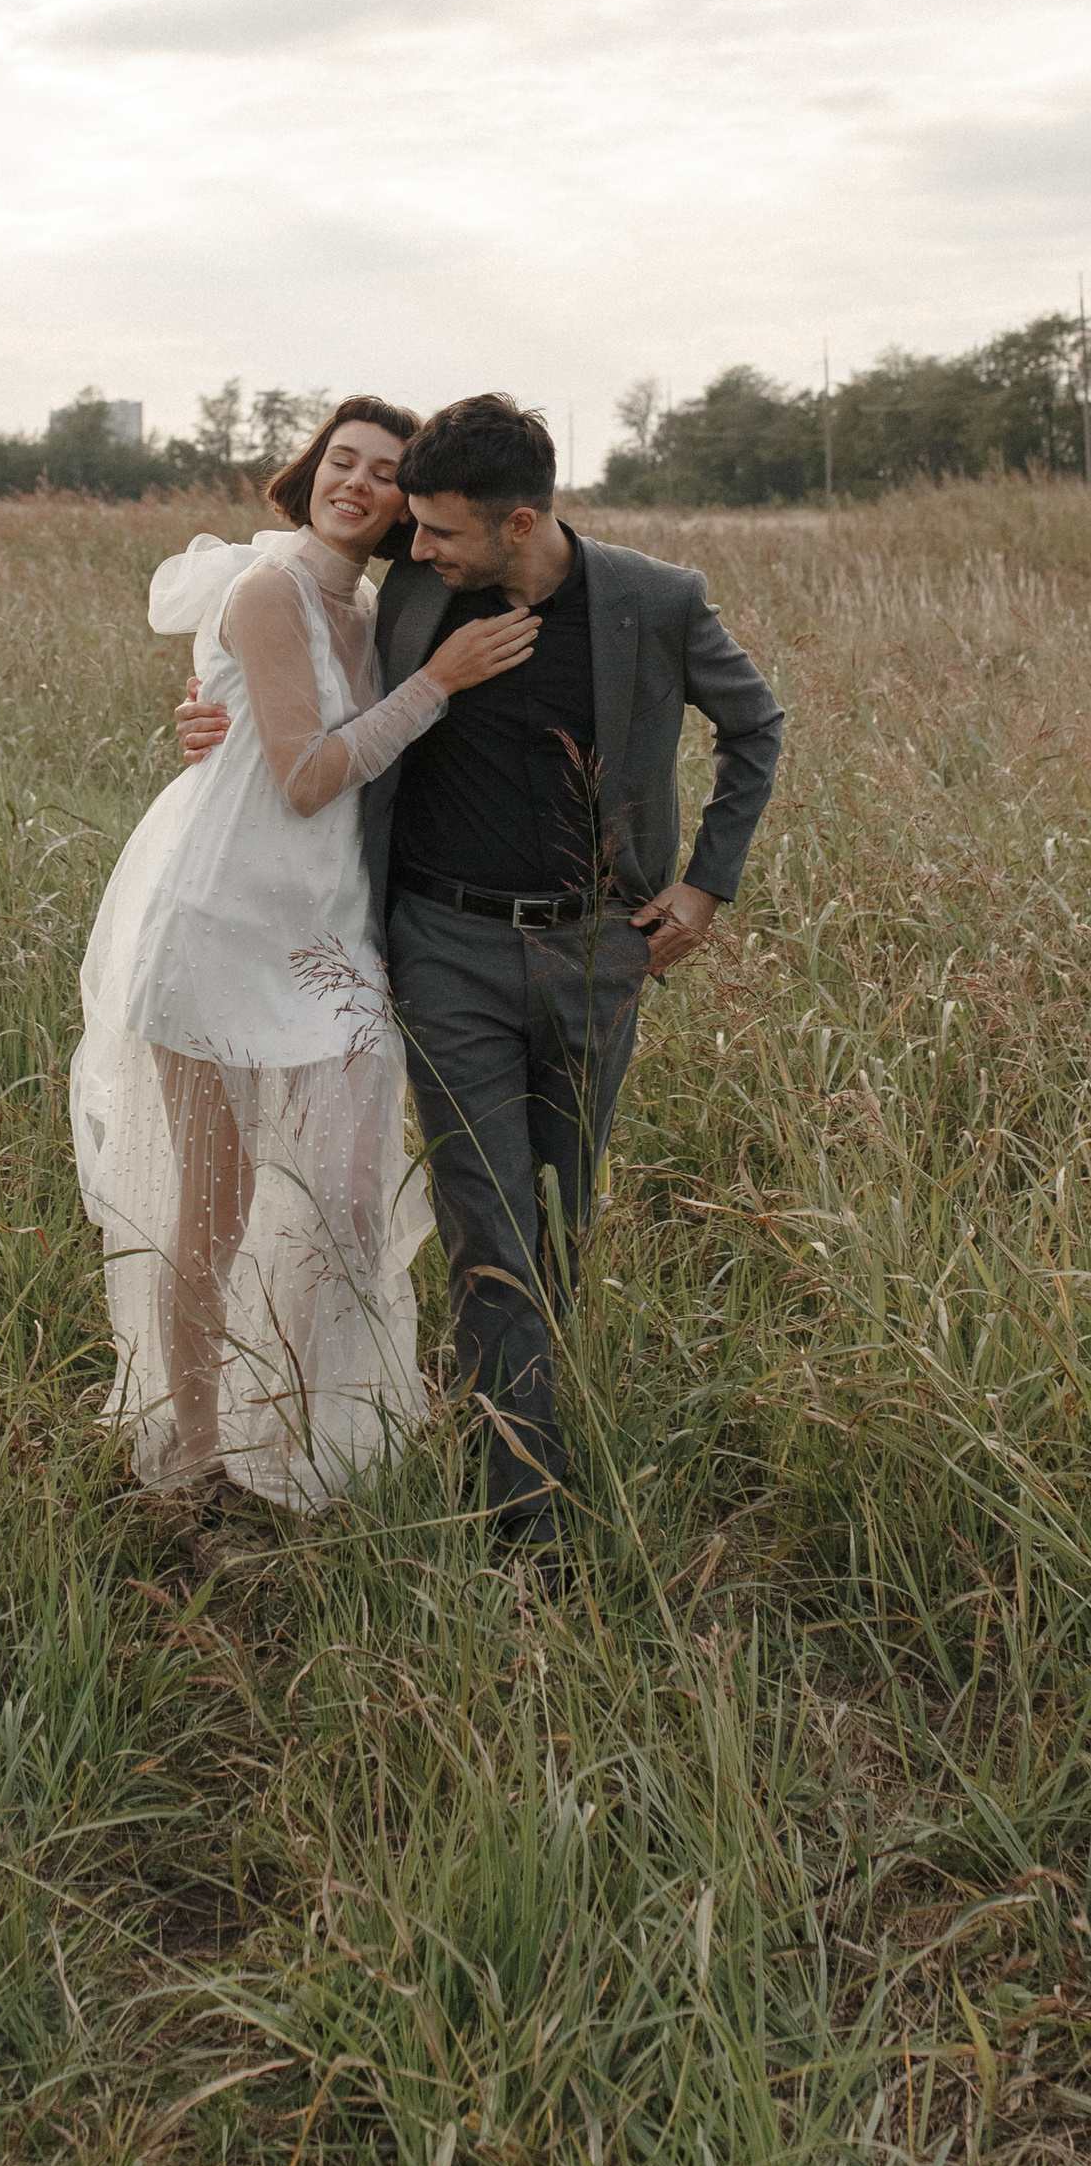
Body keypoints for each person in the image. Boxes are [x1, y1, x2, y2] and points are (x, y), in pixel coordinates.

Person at [179, 391, 784, 1554]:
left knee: (562, 1209)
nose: (415, 546)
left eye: (440, 530)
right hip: (441, 947)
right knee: (491, 1220)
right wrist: (209, 717)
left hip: (597, 950)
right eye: (414, 526)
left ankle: (504, 1409)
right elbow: (293, 669)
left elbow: (755, 729)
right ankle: (523, 1519)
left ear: (518, 523)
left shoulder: (655, 600)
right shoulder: (413, 594)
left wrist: (706, 885)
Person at [70, 395, 543, 1512]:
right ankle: (198, 1459)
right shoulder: (268, 588)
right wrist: (441, 682)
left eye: (383, 472)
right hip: (219, 924)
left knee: (347, 1197)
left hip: (329, 932)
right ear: (312, 469)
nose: (357, 483)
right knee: (212, 1211)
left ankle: (296, 1430)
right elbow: (304, 778)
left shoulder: (377, 606)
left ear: (406, 507)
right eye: (343, 459)